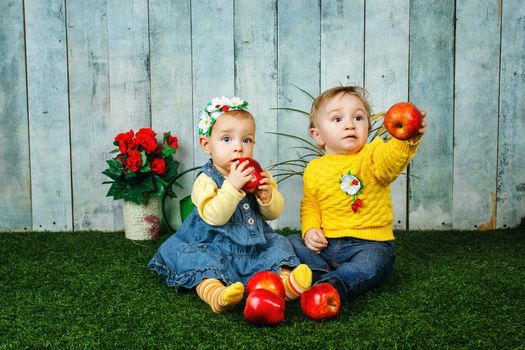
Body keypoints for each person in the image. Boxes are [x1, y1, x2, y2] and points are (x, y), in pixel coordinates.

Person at [149, 96, 311, 313]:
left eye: (246, 140)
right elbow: (215, 216)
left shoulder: (260, 174)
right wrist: (232, 187)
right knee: (198, 261)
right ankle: (215, 293)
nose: (238, 148)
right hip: (211, 245)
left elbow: (273, 214)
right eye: (227, 139)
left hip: (254, 245)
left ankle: (285, 283)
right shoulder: (205, 180)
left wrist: (267, 195)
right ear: (207, 145)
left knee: (278, 246)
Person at [287, 86, 426, 304]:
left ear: (367, 127)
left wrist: (405, 138)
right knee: (290, 242)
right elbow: (311, 204)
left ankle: (330, 285)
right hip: (326, 245)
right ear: (318, 135)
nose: (350, 124)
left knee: (374, 263)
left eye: (358, 117)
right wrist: (310, 229)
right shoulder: (314, 169)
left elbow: (391, 160)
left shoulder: (372, 156)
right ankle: (324, 274)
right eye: (337, 119)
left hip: (369, 244)